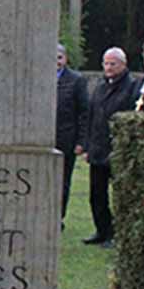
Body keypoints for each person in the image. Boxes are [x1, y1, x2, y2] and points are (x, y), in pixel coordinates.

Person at [84, 47, 137, 248]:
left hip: (116, 149)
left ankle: (117, 235)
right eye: (106, 63)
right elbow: (91, 115)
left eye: (113, 63)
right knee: (96, 194)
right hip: (97, 149)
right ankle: (102, 230)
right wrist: (88, 144)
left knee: (119, 195)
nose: (108, 67)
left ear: (123, 65)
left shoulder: (131, 87)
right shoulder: (100, 86)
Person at [55, 44, 88, 232]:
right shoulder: (41, 78)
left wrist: (81, 141)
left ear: (65, 59)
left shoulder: (76, 81)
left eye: (59, 57)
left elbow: (84, 112)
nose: (56, 62)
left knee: (63, 181)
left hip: (66, 140)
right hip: (44, 139)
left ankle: (58, 217)